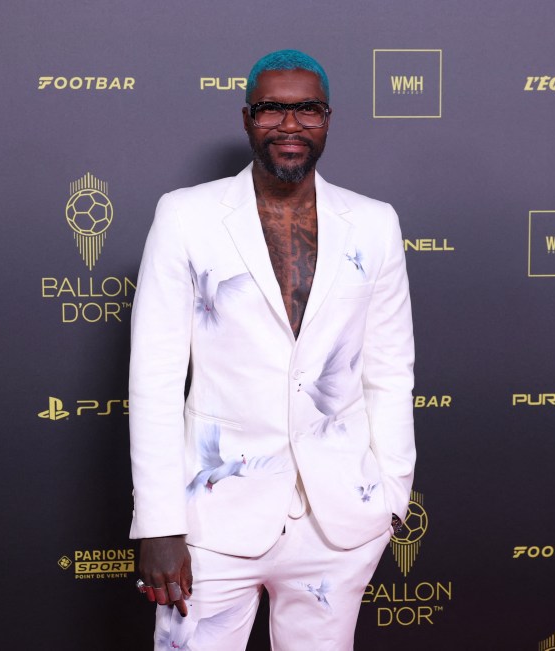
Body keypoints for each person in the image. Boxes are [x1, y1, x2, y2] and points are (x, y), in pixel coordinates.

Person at [128, 49, 415, 650]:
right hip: (211, 523)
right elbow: (154, 379)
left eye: (307, 109)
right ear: (247, 118)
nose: (290, 125)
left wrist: (391, 497)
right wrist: (158, 524)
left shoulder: (374, 223)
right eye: (273, 110)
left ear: (328, 118)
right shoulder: (186, 217)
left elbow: (389, 370)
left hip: (339, 524)